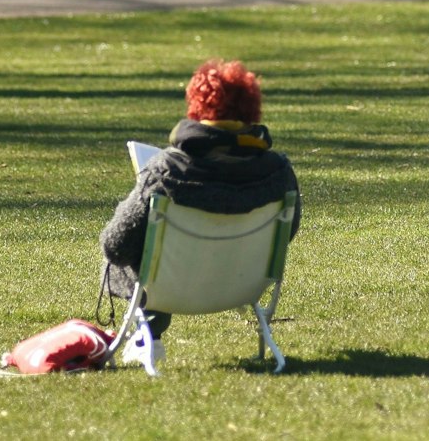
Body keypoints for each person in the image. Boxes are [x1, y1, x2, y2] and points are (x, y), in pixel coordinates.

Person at [100, 60, 301, 340]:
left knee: (136, 248)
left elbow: (115, 246)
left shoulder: (165, 171)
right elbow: (286, 233)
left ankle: (149, 333)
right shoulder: (279, 172)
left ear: (197, 108)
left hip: (171, 285)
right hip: (242, 284)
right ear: (252, 108)